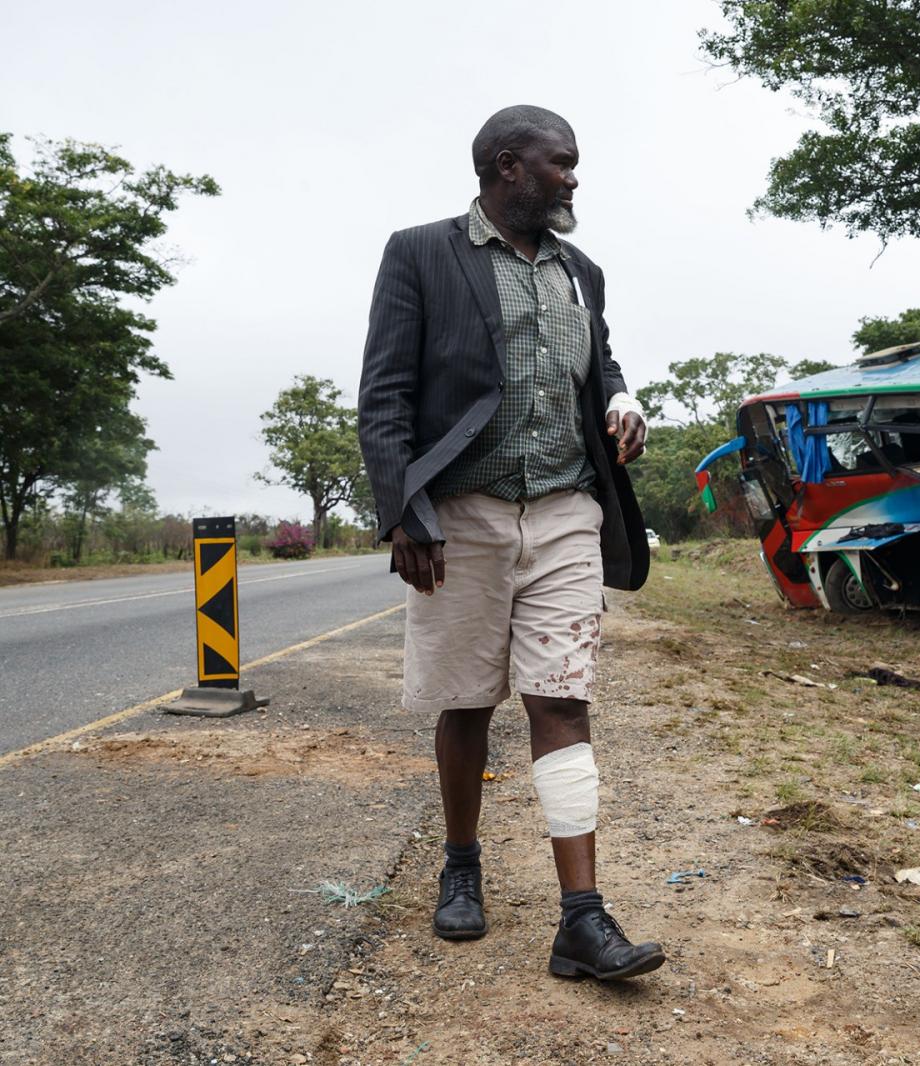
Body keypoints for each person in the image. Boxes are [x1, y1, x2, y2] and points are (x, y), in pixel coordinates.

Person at [358, 104, 662, 981]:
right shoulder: (422, 252)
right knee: (467, 700)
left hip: (568, 507)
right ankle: (461, 864)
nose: (573, 177)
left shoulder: (581, 270)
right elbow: (384, 395)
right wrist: (403, 511)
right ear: (505, 167)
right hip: (464, 510)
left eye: (574, 163)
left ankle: (582, 918)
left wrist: (622, 398)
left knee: (561, 698)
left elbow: (597, 362)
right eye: (560, 162)